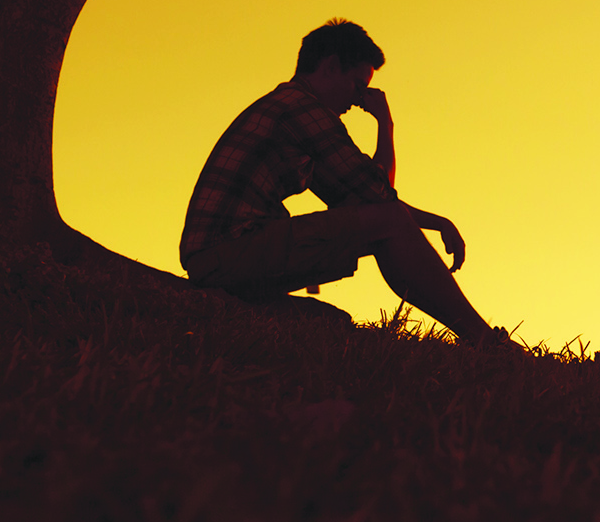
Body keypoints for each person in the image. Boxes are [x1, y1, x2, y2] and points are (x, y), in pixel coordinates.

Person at [180, 18, 508, 347]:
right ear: (331, 67)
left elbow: (363, 199)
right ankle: (483, 341)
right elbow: (380, 200)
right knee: (390, 222)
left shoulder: (291, 107)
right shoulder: (303, 109)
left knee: (331, 319)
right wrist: (385, 123)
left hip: (219, 257)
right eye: (356, 85)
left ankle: (478, 338)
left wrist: (434, 222)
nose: (356, 100)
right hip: (224, 253)